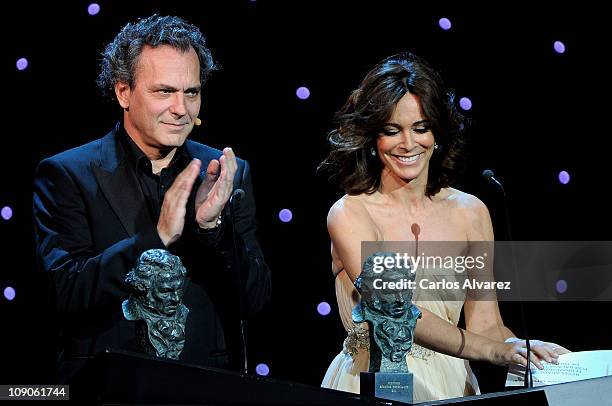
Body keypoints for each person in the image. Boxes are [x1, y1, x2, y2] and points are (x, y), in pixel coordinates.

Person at [33, 15, 271, 382]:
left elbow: (253, 301)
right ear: (123, 92)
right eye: (164, 91)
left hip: (207, 385)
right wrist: (152, 238)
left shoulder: (227, 172)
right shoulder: (68, 174)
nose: (182, 108)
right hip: (106, 386)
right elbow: (64, 296)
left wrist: (213, 228)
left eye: (191, 92)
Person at [319, 53, 568, 401]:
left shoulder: (471, 212)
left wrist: (528, 352)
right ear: (373, 138)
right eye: (392, 131)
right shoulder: (350, 214)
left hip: (452, 386)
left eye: (421, 128)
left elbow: (485, 324)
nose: (408, 144)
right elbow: (397, 311)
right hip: (370, 384)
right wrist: (493, 351)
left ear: (438, 132)